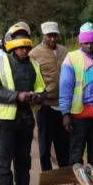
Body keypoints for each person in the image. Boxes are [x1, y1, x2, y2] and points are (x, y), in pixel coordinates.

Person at [0, 22, 46, 185]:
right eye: (21, 47)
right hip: (6, 120)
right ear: (13, 46)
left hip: (26, 119)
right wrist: (16, 96)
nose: (24, 50)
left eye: (26, 47)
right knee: (5, 159)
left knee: (24, 158)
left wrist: (38, 97)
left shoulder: (34, 65)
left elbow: (41, 88)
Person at [59, 22, 93, 169]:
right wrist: (65, 113)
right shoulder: (71, 58)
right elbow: (65, 88)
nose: (89, 45)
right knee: (76, 155)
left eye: (92, 42)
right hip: (79, 116)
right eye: (86, 42)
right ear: (81, 42)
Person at [29, 22, 70, 171]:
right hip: (45, 106)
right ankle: (47, 178)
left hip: (64, 105)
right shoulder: (34, 54)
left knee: (64, 145)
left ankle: (64, 177)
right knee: (45, 146)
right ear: (43, 36)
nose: (52, 39)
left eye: (55, 35)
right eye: (49, 36)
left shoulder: (64, 51)